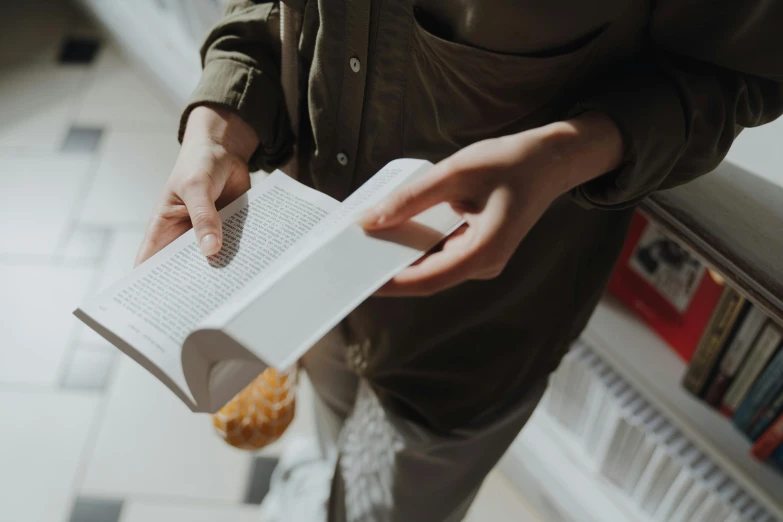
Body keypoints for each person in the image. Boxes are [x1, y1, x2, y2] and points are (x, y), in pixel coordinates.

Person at [135, 1, 783, 521]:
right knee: (333, 432)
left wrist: (566, 151)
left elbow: (742, 75)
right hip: (311, 273)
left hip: (471, 332)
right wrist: (222, 115)